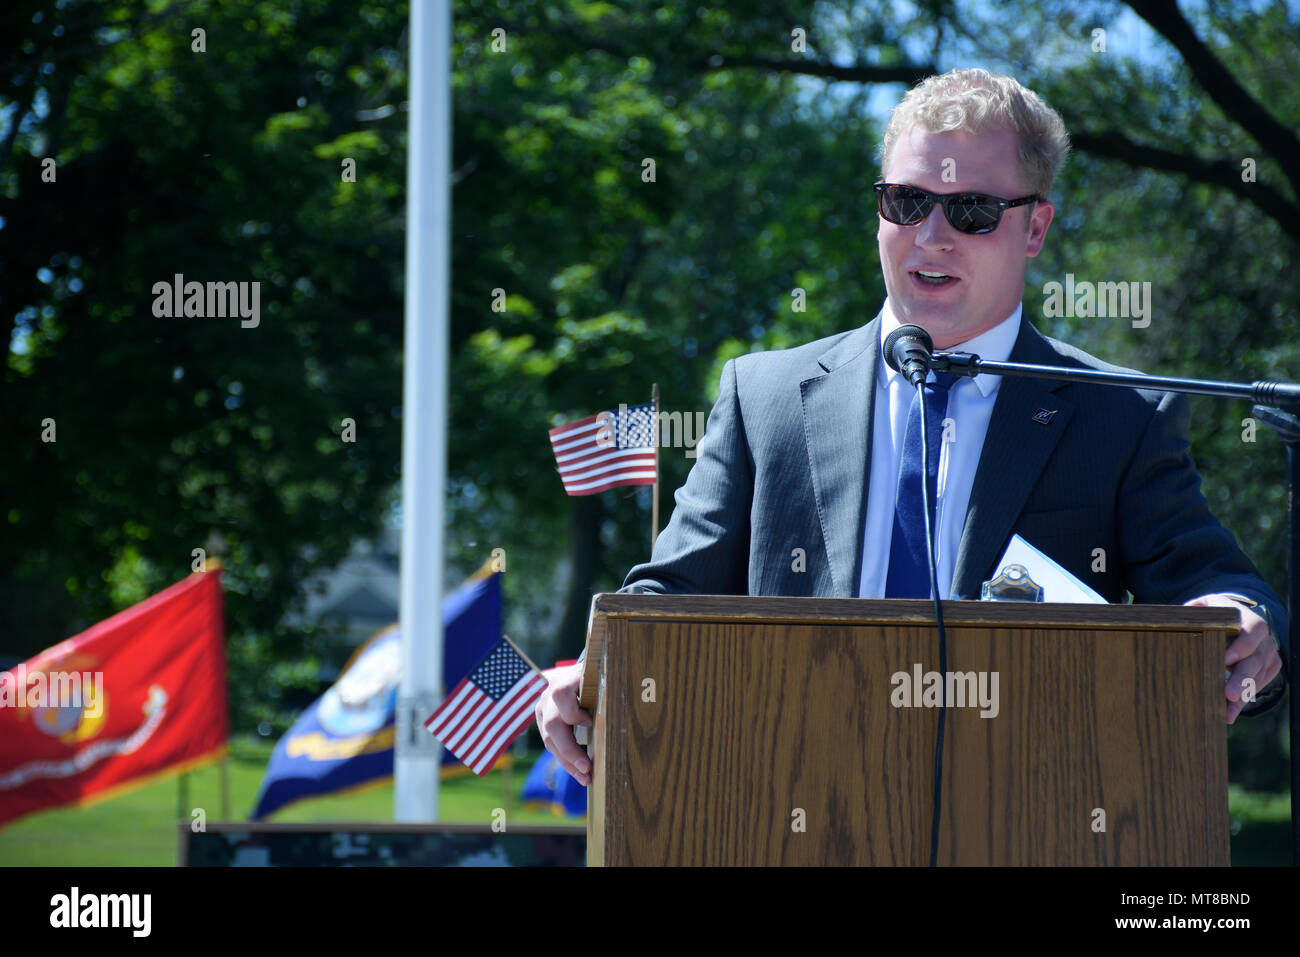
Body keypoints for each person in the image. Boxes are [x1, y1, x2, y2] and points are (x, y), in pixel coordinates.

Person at [536, 68, 1288, 787]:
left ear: (1035, 228)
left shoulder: (1121, 412)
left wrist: (1245, 626)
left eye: (971, 212)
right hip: (792, 812)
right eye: (906, 202)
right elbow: (666, 607)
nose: (931, 236)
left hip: (1022, 818)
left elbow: (1214, 587)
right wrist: (588, 676)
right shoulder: (763, 396)